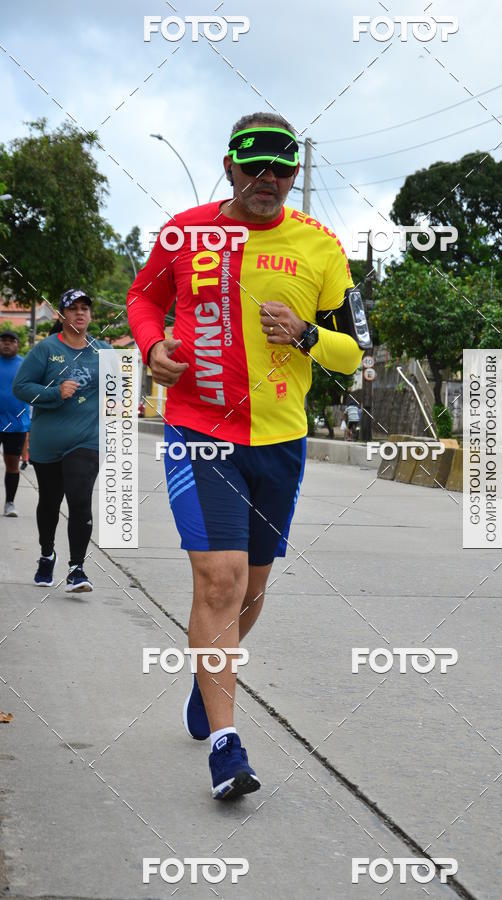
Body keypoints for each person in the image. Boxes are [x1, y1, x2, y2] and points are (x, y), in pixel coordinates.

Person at [127, 111, 365, 801]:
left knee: (252, 590)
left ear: (295, 173)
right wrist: (153, 350)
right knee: (221, 581)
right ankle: (227, 747)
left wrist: (307, 335)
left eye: (282, 169)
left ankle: (209, 680)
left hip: (280, 439)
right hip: (201, 428)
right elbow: (145, 299)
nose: (268, 180)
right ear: (229, 164)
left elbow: (356, 350)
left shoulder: (320, 246)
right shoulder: (186, 231)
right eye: (255, 166)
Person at [13, 290, 110, 592]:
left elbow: (117, 393)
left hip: (87, 441)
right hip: (48, 443)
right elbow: (21, 387)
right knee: (49, 503)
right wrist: (55, 393)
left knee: (80, 500)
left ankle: (77, 569)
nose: (80, 314)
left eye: (85, 309)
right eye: (73, 309)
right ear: (62, 315)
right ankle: (47, 554)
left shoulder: (104, 350)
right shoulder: (45, 350)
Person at [0, 329, 31, 516]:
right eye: (3, 340)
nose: (7, 343)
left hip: (16, 424)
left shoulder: (25, 366)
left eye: (11, 341)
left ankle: (9, 503)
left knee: (12, 465)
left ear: (17, 344)